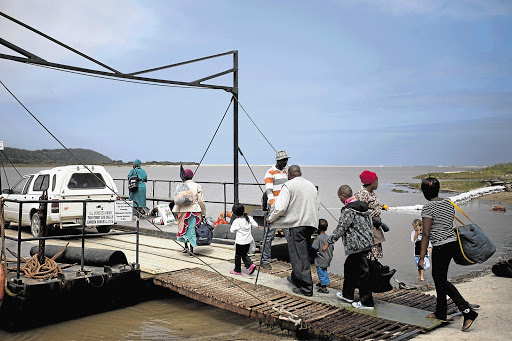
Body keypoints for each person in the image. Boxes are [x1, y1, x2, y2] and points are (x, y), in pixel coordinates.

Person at [418, 176, 478, 331]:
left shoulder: (428, 208)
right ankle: (441, 312)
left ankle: (467, 310)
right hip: (452, 244)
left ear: (424, 191)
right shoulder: (449, 202)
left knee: (441, 280)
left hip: (440, 246)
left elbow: (425, 234)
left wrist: (422, 257)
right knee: (440, 278)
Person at [267, 165, 319, 297]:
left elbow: (280, 207)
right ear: (300, 173)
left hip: (298, 225)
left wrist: (271, 218)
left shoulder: (288, 185)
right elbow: (317, 204)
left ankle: (306, 288)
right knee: (303, 252)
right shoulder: (311, 185)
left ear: (289, 175)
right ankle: (296, 278)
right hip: (310, 223)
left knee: (298, 255)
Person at [322, 185, 375, 310]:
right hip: (366, 242)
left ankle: (367, 303)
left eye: (339, 197)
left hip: (357, 245)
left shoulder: (348, 210)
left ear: (344, 196)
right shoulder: (363, 207)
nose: (339, 199)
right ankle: (347, 295)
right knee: (349, 268)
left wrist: (329, 242)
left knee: (363, 274)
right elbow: (370, 224)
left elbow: (341, 227)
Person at [261, 149, 290, 269]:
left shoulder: (285, 172)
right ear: (279, 160)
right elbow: (269, 192)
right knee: (269, 235)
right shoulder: (270, 173)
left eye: (287, 160)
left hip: (285, 206)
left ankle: (294, 258)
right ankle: (265, 259)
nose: (286, 162)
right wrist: (274, 207)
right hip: (274, 206)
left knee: (289, 233)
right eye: (284, 160)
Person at [172, 168, 206, 257]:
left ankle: (185, 247)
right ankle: (191, 251)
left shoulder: (179, 186)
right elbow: (201, 201)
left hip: (181, 211)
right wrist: (204, 212)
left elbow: (176, 199)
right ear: (192, 176)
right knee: (191, 230)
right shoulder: (197, 186)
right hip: (193, 210)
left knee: (183, 229)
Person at [354, 170, 386, 261]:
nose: (378, 183)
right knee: (368, 257)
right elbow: (360, 213)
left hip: (374, 228)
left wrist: (378, 208)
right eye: (377, 181)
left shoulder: (371, 193)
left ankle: (374, 272)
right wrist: (377, 210)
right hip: (367, 231)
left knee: (374, 257)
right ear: (372, 182)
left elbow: (369, 207)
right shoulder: (361, 194)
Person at [229, 203, 257, 276]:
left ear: (235, 214)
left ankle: (238, 269)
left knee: (238, 256)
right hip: (248, 240)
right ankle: (250, 266)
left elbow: (232, 230)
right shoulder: (249, 218)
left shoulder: (236, 221)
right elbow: (255, 225)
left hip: (240, 242)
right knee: (244, 254)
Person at [311, 219, 333, 294]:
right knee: (324, 270)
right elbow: (332, 247)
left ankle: (324, 288)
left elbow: (314, 249)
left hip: (321, 259)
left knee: (321, 272)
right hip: (328, 258)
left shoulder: (318, 238)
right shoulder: (329, 238)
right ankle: (322, 282)